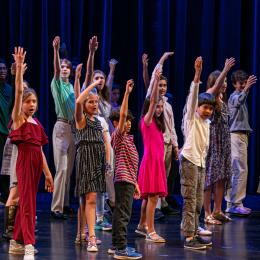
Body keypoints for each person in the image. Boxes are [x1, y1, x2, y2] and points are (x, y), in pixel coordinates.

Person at [8, 47, 54, 259]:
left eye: (34, 101)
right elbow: (18, 92)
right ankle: (28, 243)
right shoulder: (19, 120)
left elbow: (41, 151)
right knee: (27, 204)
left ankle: (16, 242)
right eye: (28, 102)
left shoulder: (37, 123)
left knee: (29, 201)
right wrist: (19, 70)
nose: (31, 105)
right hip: (25, 164)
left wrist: (47, 173)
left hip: (36, 166)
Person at [73, 62, 110, 252]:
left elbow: (105, 143)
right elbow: (78, 101)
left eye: (96, 102)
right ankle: (90, 237)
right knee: (87, 199)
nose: (94, 105)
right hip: (85, 159)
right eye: (91, 102)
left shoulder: (98, 121)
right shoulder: (81, 119)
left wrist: (107, 163)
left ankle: (84, 233)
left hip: (97, 160)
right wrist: (93, 85)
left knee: (90, 199)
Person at [180, 57, 215, 250]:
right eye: (205, 107)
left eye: (210, 108)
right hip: (189, 161)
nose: (208, 111)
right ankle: (189, 237)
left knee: (199, 202)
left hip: (200, 163)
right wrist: (197, 74)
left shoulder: (207, 123)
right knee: (190, 199)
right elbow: (193, 96)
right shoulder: (191, 118)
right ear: (198, 108)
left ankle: (193, 231)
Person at [108, 79, 142, 259]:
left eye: (130, 120)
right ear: (116, 123)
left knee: (120, 213)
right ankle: (121, 248)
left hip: (128, 180)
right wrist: (127, 94)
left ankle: (115, 245)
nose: (128, 123)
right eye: (124, 120)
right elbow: (121, 115)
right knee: (123, 215)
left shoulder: (129, 139)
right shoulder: (119, 136)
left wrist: (135, 183)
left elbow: (130, 164)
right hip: (123, 180)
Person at [142, 53, 179, 219]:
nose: (162, 88)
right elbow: (151, 82)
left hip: (168, 144)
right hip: (157, 144)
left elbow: (172, 127)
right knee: (157, 176)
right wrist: (162, 59)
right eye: (160, 85)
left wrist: (176, 145)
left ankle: (162, 203)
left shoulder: (168, 105)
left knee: (165, 176)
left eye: (165, 85)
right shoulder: (152, 101)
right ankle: (155, 208)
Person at [84, 36, 114, 230]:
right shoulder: (89, 98)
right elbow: (87, 76)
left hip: (105, 141)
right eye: (97, 78)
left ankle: (101, 217)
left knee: (104, 180)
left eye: (102, 78)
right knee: (93, 184)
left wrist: (111, 72)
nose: (100, 81)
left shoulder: (105, 100)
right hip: (91, 142)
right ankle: (92, 217)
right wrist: (92, 53)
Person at [136, 64, 167, 243]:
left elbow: (157, 101)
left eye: (161, 107)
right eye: (156, 107)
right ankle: (151, 231)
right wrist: (155, 80)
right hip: (150, 162)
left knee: (148, 198)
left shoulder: (158, 123)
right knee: (153, 198)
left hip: (157, 162)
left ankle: (141, 225)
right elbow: (154, 100)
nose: (159, 109)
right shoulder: (145, 121)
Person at [204, 58, 235, 225]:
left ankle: (217, 210)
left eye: (224, 81)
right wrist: (225, 70)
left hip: (224, 144)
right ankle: (207, 213)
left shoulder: (223, 100)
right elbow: (213, 90)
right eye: (221, 81)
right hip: (213, 142)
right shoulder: (211, 96)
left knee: (221, 177)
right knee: (209, 177)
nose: (224, 84)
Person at [225, 70, 257, 216]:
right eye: (241, 84)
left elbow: (242, 98)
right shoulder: (233, 97)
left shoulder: (240, 95)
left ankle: (233, 203)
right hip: (236, 136)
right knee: (239, 170)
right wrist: (246, 89)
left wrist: (246, 90)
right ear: (234, 84)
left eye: (245, 83)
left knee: (238, 170)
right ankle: (235, 203)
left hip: (241, 136)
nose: (243, 85)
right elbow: (239, 101)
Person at [50, 36, 76, 219]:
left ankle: (65, 203)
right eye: (62, 67)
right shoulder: (57, 84)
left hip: (72, 129)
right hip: (61, 127)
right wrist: (56, 51)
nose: (64, 69)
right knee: (62, 169)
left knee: (69, 170)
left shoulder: (73, 88)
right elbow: (56, 70)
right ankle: (56, 208)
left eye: (67, 67)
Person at [0, 59, 13, 204]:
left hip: (7, 130)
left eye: (4, 69)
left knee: (6, 164)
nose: (2, 71)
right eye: (0, 69)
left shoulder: (10, 89)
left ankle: (5, 195)